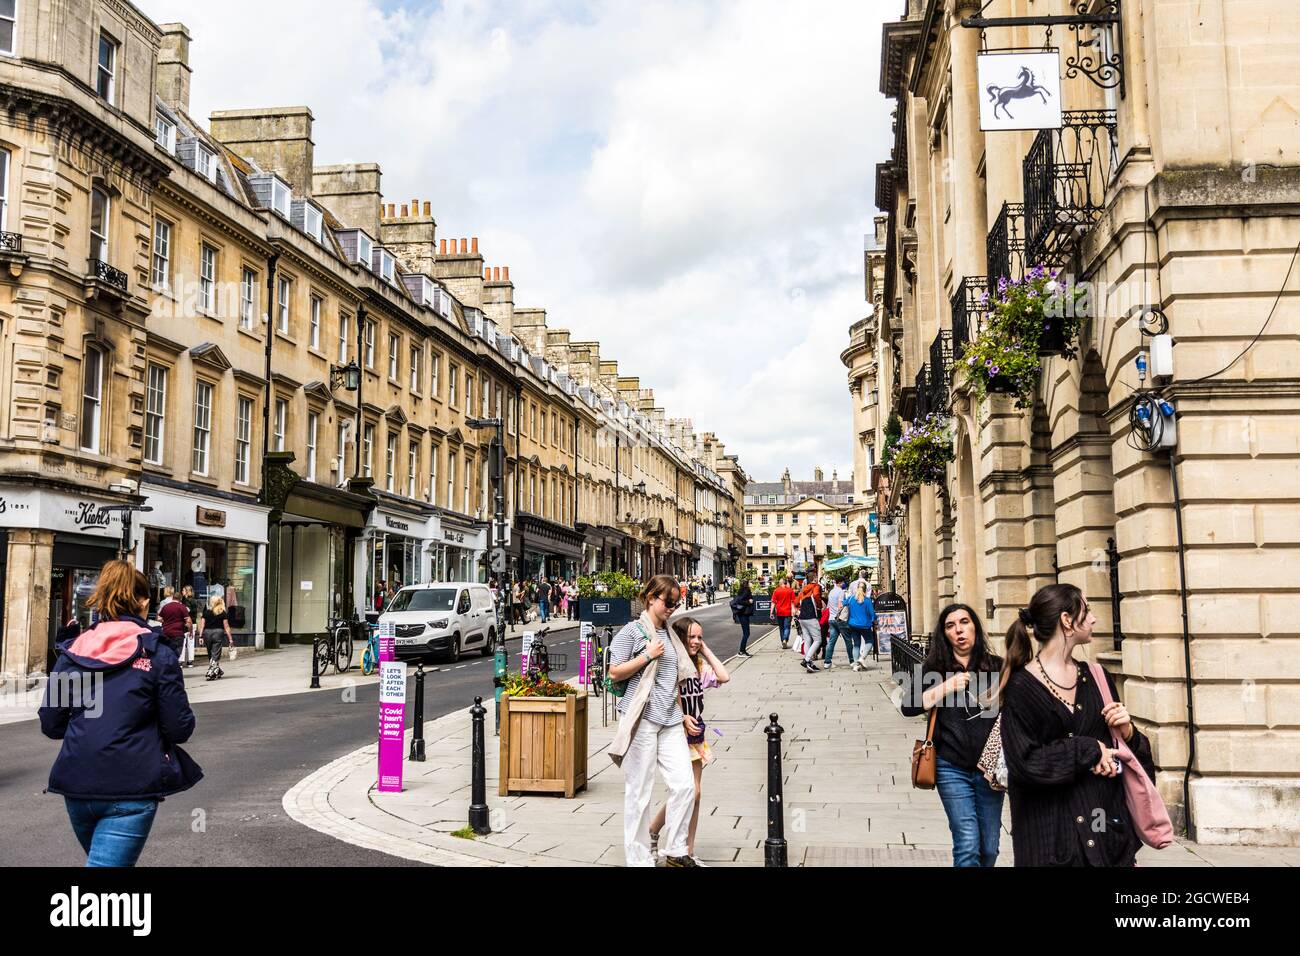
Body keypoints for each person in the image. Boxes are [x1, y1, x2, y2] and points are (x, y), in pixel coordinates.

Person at [39, 560, 203, 866]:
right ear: (142, 601)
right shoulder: (157, 652)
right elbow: (179, 728)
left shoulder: (72, 652)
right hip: (130, 785)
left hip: (76, 783)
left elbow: (51, 722)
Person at [1000, 583, 1154, 867]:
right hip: (1050, 842)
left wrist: (1128, 732)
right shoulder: (1021, 687)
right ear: (1067, 621)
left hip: (1106, 837)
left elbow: (1126, 754)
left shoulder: (1097, 677)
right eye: (1088, 610)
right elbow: (1024, 763)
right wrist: (1088, 749)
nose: (1094, 618)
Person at [900, 604, 1004, 867]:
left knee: (989, 849)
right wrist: (945, 687)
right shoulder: (935, 669)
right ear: (944, 634)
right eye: (950, 625)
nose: (958, 630)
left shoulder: (997, 667)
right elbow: (908, 706)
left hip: (989, 771)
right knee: (968, 843)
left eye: (964, 622)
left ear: (975, 628)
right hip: (950, 767)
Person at [607, 575, 698, 867]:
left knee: (685, 786)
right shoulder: (632, 632)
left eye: (676, 603)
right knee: (640, 791)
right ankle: (639, 858)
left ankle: (675, 848)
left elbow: (675, 680)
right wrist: (646, 655)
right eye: (667, 602)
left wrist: (683, 713)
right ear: (650, 598)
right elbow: (614, 672)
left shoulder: (671, 635)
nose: (672, 607)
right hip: (642, 719)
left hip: (670, 718)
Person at [648, 617, 730, 863]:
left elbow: (724, 676)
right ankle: (661, 836)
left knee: (694, 794)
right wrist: (682, 716)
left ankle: (686, 849)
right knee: (687, 791)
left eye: (699, 637)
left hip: (696, 736)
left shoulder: (699, 666)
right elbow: (662, 698)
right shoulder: (672, 666)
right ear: (680, 638)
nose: (695, 641)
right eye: (691, 637)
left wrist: (703, 649)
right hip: (676, 734)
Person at [845, 578, 876, 671]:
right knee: (870, 641)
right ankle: (862, 658)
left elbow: (842, 604)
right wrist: (875, 620)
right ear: (866, 590)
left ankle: (855, 665)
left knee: (856, 644)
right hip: (865, 625)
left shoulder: (851, 599)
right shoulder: (867, 600)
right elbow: (872, 614)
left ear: (856, 588)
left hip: (852, 625)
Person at [795, 575, 824, 673]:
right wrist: (819, 606)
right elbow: (816, 595)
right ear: (814, 579)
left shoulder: (803, 590)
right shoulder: (816, 586)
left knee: (807, 639)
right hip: (811, 616)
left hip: (802, 618)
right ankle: (806, 660)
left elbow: (795, 603)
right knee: (818, 640)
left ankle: (809, 663)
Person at [157, 586, 191, 667]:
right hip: (178, 633)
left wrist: (165, 621)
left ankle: (167, 667)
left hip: (166, 632)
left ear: (173, 598)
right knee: (177, 652)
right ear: (180, 599)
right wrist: (189, 630)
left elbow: (159, 618)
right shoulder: (182, 607)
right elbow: (188, 621)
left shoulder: (166, 607)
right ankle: (172, 667)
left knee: (167, 651)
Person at [202, 594, 233, 681]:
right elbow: (226, 627)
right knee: (215, 653)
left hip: (207, 633)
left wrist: (200, 635)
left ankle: (217, 671)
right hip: (218, 633)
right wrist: (230, 639)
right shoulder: (222, 612)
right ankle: (210, 672)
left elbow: (202, 625)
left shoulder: (206, 612)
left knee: (210, 653)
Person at [821, 578, 849, 668]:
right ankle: (853, 661)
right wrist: (847, 603)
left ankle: (827, 662)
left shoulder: (831, 592)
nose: (844, 584)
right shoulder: (840, 592)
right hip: (839, 619)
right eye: (843, 582)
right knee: (848, 641)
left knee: (831, 642)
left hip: (831, 619)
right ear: (840, 583)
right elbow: (840, 605)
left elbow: (828, 606)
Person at [769, 575, 795, 649]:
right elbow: (793, 602)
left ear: (780, 583)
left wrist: (771, 612)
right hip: (788, 611)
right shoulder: (790, 590)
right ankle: (785, 639)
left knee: (781, 628)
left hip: (779, 612)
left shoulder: (776, 590)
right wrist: (793, 612)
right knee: (787, 627)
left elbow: (773, 602)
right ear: (786, 583)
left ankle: (782, 640)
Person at [731, 578, 755, 656]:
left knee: (746, 633)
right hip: (743, 614)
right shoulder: (745, 590)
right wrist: (749, 601)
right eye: (749, 582)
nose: (751, 584)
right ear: (747, 583)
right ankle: (741, 651)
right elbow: (740, 601)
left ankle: (743, 651)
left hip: (742, 614)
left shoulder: (741, 590)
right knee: (746, 633)